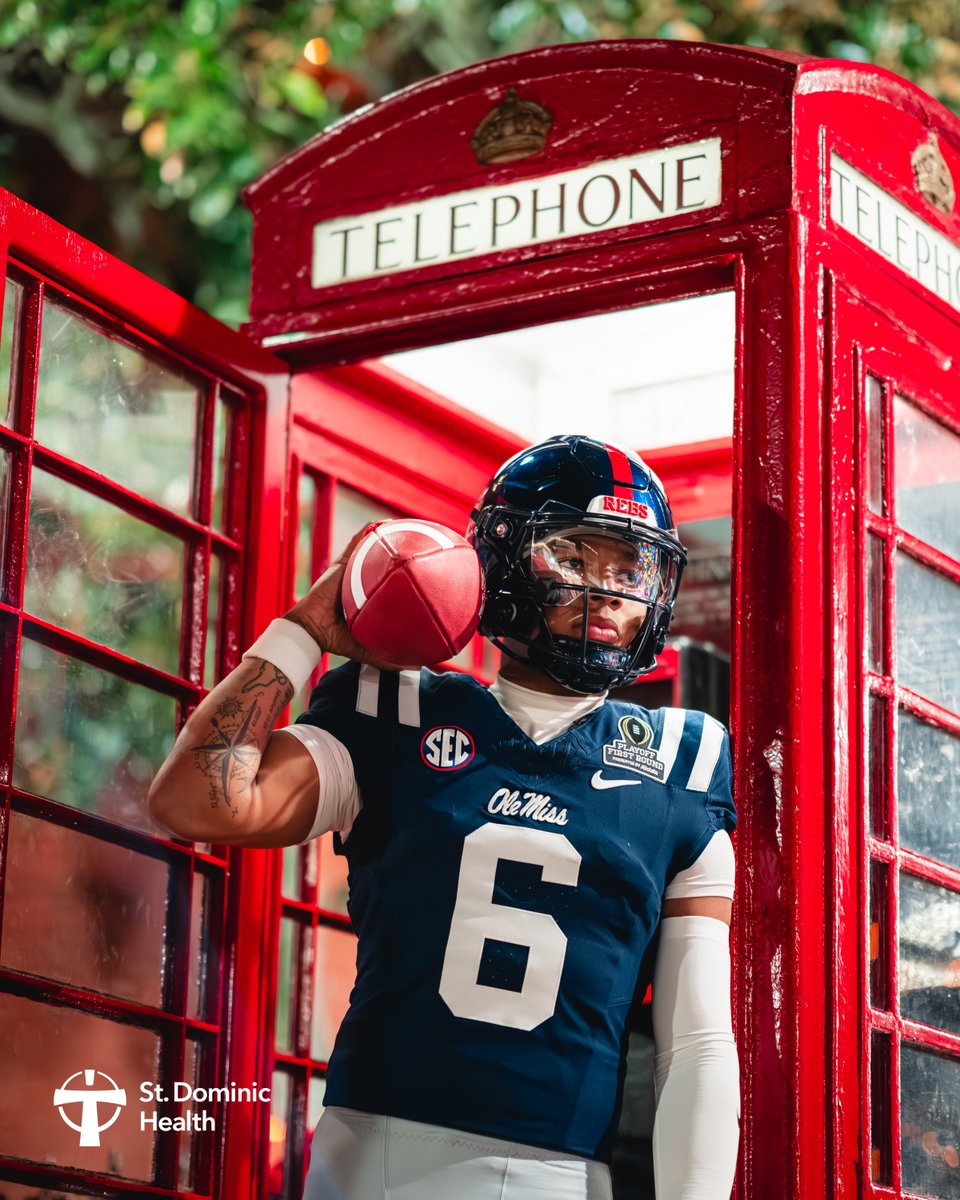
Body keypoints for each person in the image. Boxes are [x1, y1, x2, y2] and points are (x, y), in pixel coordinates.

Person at [148, 433, 740, 1200]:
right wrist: (302, 630)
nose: (608, 593)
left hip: (560, 1174)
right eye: (574, 556)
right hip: (371, 1155)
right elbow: (196, 801)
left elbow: (697, 1043)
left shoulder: (682, 762)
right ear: (500, 560)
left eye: (630, 569)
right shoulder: (393, 708)